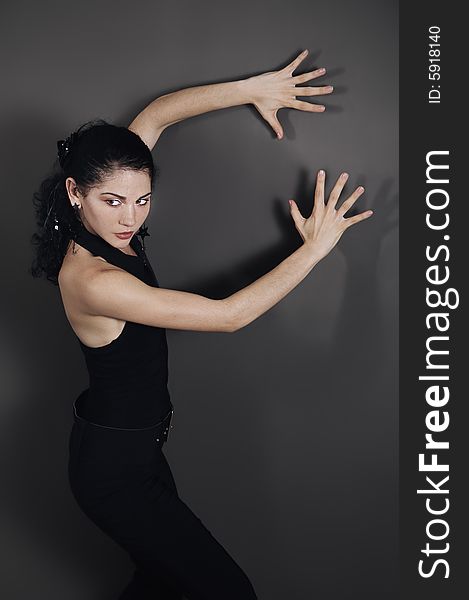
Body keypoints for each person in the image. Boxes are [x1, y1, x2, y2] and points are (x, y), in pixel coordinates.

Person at [30, 50, 373, 599]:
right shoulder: (94, 281)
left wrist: (255, 88)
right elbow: (228, 316)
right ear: (75, 193)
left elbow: (158, 114)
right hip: (112, 472)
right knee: (230, 593)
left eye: (142, 199)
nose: (130, 218)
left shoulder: (109, 198)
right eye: (112, 201)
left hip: (134, 450)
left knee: (163, 581)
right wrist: (314, 250)